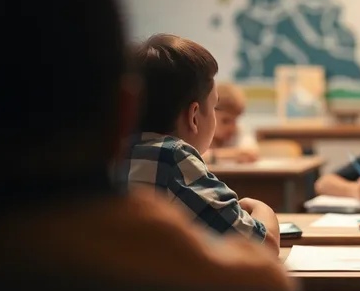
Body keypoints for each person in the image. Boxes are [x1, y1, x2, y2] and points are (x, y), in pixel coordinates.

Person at [0, 0, 295, 291]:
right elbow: (258, 248)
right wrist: (264, 211)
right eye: (213, 106)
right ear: (122, 114)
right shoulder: (238, 289)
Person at [119, 34, 280, 255]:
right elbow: (264, 247)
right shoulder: (175, 157)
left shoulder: (110, 152)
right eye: (214, 107)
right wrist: (262, 209)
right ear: (194, 116)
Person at [203, 82, 260, 164]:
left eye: (235, 121)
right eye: (225, 121)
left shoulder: (239, 131)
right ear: (209, 114)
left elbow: (250, 153)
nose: (231, 127)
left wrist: (212, 156)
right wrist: (235, 154)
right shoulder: (198, 134)